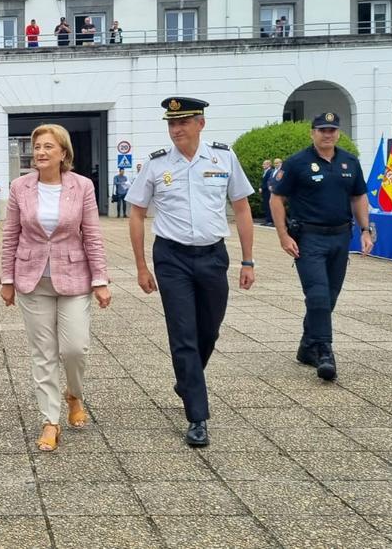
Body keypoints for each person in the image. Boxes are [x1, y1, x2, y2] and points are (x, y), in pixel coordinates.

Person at [125, 97, 256, 448]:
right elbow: (136, 214)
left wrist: (248, 260)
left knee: (209, 331)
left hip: (213, 256)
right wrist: (141, 266)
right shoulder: (155, 165)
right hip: (171, 258)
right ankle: (197, 415)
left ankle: (187, 380)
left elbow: (241, 208)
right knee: (183, 334)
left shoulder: (223, 158)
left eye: (183, 122)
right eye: (171, 123)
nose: (176, 129)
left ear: (201, 123)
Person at [0, 124, 112, 452]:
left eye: (48, 146)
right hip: (32, 280)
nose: (40, 152)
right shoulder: (20, 187)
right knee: (43, 353)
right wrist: (7, 279)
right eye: (37, 146)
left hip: (75, 278)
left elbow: (92, 234)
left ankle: (74, 393)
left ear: (63, 153)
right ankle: (50, 420)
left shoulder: (83, 187)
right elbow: (10, 235)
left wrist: (100, 280)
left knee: (75, 348)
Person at [269, 112, 373, 382]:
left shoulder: (350, 162)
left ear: (338, 133)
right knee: (317, 295)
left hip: (340, 237)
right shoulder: (296, 163)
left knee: (330, 297)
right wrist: (282, 235)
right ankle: (325, 351)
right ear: (312, 133)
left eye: (332, 130)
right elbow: (276, 199)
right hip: (309, 238)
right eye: (322, 130)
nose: (328, 134)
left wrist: (365, 230)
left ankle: (307, 346)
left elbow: (358, 196)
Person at [260, 159, 275, 226]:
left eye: (264, 164)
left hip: (268, 191)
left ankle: (270, 220)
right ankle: (267, 220)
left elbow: (269, 182)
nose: (263, 165)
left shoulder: (270, 171)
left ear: (269, 165)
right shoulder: (265, 171)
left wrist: (263, 188)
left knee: (269, 205)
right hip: (264, 191)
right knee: (266, 205)